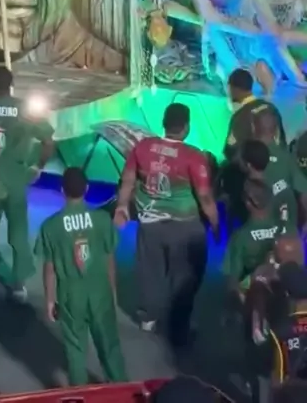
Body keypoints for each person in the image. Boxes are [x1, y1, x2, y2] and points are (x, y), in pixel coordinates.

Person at [114, 103, 218, 342]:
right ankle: (178, 327)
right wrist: (215, 224)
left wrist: (121, 206)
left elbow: (127, 180)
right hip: (185, 227)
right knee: (185, 276)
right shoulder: (194, 156)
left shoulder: (143, 147)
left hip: (150, 225)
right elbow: (204, 196)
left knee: (150, 271)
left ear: (163, 123)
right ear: (187, 127)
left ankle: (148, 319)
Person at [0, 65, 54, 300]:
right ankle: (18, 284)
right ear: (11, 84)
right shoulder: (24, 109)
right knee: (18, 231)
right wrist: (38, 166)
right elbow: (48, 141)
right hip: (16, 178)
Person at [35, 167, 126, 386]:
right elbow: (109, 259)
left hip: (70, 294)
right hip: (100, 291)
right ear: (86, 189)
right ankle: (120, 388)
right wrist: (112, 291)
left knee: (75, 348)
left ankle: (79, 392)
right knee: (109, 344)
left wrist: (50, 300)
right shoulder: (102, 219)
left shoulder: (50, 226)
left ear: (62, 190)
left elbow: (49, 267)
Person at [222, 178, 280, 291]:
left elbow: (232, 282)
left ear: (249, 203)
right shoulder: (285, 227)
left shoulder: (240, 237)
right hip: (281, 294)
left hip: (255, 294)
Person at [242, 135, 307, 235]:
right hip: (287, 235)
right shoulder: (285, 187)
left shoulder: (250, 190)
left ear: (248, 164)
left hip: (264, 237)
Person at [225, 68, 286, 157]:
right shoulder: (271, 107)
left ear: (234, 89)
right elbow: (282, 141)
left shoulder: (240, 116)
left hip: (255, 164)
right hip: (279, 161)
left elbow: (230, 151)